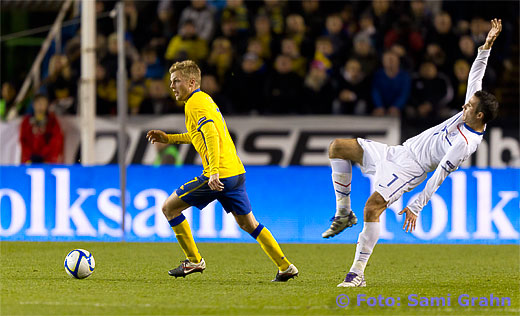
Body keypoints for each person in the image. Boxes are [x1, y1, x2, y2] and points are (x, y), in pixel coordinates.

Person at [322, 19, 501, 287]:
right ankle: (344, 213)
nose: (464, 105)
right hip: (397, 152)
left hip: (410, 170)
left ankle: (357, 273)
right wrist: (485, 47)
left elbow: (439, 175)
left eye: (470, 105)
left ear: (480, 115)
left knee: (372, 207)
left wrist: (416, 205)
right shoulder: (471, 113)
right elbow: (477, 75)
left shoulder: (466, 143)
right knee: (338, 147)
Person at [146, 60, 298, 282]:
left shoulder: (194, 103)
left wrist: (214, 171)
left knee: (169, 208)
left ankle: (194, 260)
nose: (172, 86)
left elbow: (211, 135)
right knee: (250, 224)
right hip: (236, 173)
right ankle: (285, 266)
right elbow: (198, 134)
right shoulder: (204, 99)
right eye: (171, 82)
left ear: (191, 82)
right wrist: (169, 138)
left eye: (176, 81)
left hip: (219, 174)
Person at [19, 94, 64, 164]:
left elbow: (56, 140)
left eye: (44, 103)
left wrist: (44, 155)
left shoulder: (52, 121)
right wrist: (30, 155)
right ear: (34, 104)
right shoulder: (26, 121)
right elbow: (23, 140)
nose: (41, 106)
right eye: (39, 103)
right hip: (29, 159)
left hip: (47, 160)